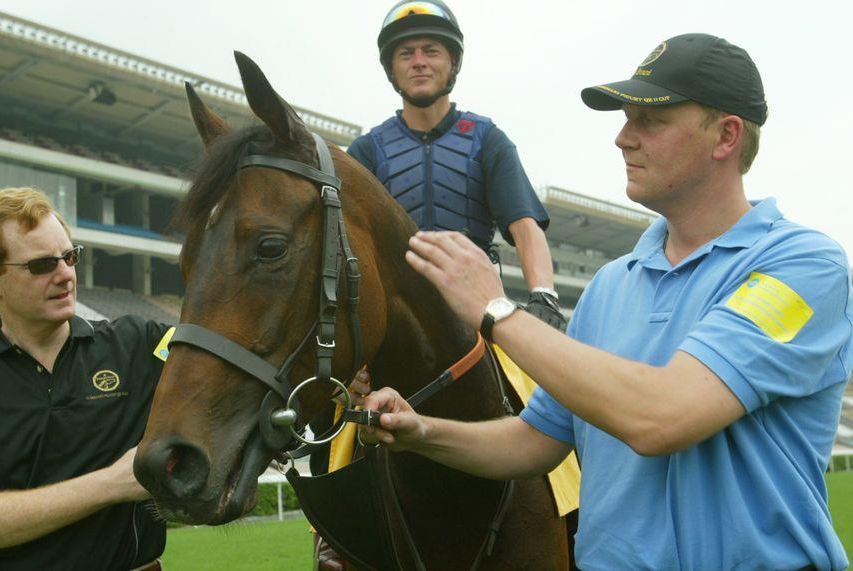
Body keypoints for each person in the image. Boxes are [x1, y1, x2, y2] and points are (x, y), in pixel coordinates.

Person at [363, 33, 853, 570]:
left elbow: (662, 418)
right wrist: (424, 433)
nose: (623, 138)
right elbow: (536, 442)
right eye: (625, 120)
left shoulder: (804, 266)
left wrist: (497, 309)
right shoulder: (609, 285)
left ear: (726, 136)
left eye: (652, 120)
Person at [0, 187, 170, 570]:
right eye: (42, 265)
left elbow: (227, 356)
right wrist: (113, 483)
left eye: (70, 257)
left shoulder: (141, 343)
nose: (66, 275)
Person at [347, 0, 564, 328]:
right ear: (392, 68)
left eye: (430, 50)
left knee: (531, 381)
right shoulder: (365, 152)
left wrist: (544, 295)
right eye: (406, 53)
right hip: (394, 321)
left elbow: (525, 227)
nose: (419, 62)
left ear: (453, 61)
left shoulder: (487, 139)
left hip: (477, 310)